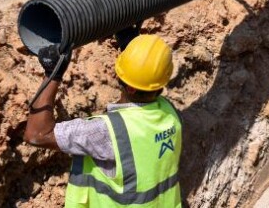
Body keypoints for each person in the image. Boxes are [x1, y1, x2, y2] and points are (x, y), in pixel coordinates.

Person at [24, 35, 182, 207]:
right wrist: (127, 42)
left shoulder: (108, 131)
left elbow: (37, 135)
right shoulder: (170, 112)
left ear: (127, 85)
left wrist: (52, 74)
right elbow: (145, 77)